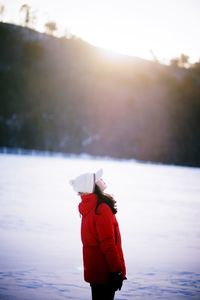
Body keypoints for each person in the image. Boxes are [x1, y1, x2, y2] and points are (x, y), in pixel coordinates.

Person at [70, 169, 126, 300]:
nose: (102, 180)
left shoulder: (88, 206)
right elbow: (108, 244)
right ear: (93, 187)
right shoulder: (101, 209)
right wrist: (116, 271)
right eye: (98, 179)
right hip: (105, 272)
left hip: (95, 271)